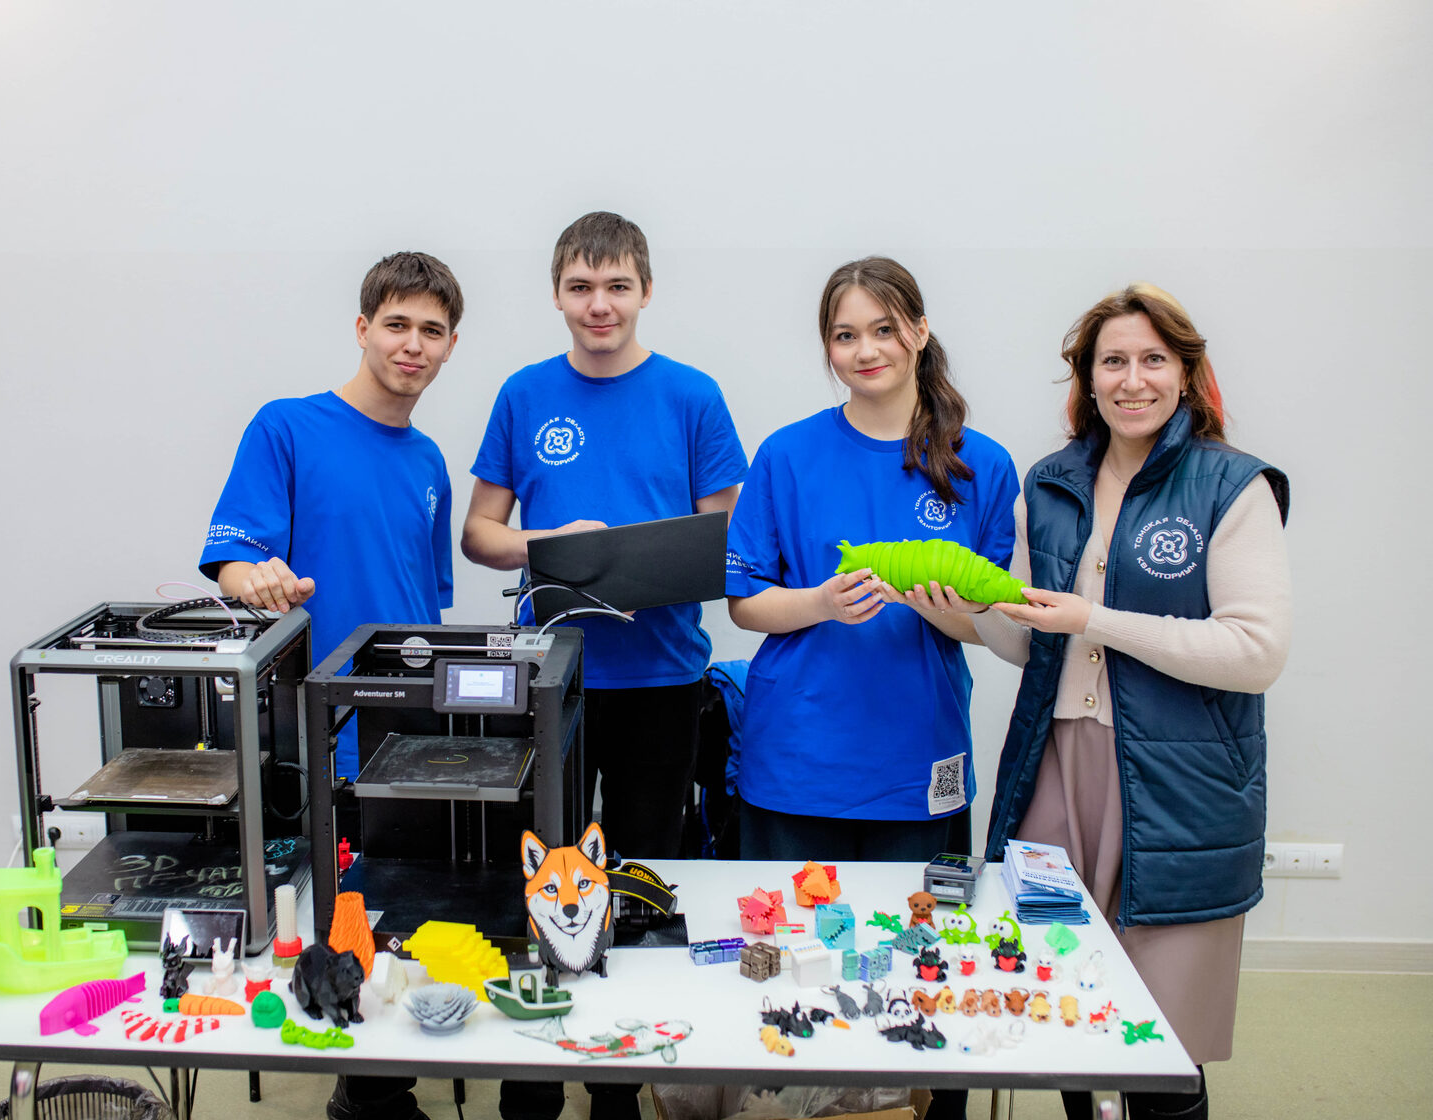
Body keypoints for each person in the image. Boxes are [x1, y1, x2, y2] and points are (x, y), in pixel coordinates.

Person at [975, 285, 1292, 1120]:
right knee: (1068, 1008)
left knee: (1162, 1048)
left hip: (1180, 786)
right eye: (1112, 361)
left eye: (1153, 359)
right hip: (1055, 772)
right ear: (1088, 377)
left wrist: (1095, 620)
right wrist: (961, 608)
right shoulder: (1051, 484)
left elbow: (1255, 653)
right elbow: (1029, 641)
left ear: (1186, 373)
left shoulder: (1233, 486)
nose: (1132, 379)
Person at [462, 211, 746, 1120]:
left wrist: (648, 566)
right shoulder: (523, 394)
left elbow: (728, 540)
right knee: (540, 882)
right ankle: (532, 1084)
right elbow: (480, 534)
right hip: (551, 681)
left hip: (662, 680)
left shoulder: (692, 396)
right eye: (581, 287)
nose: (600, 304)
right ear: (557, 294)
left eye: (617, 285)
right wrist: (556, 544)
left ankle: (618, 1083)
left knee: (636, 879)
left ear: (645, 291)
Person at [723, 256, 1017, 1120]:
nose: (866, 350)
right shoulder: (787, 455)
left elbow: (1001, 624)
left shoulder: (981, 465)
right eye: (846, 335)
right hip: (796, 761)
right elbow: (744, 602)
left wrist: (947, 610)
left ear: (919, 332)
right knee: (788, 963)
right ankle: (786, 1097)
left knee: (918, 966)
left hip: (918, 764)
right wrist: (818, 603)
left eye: (885, 329)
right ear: (828, 348)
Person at [200, 250, 463, 1120]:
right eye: (397, 324)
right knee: (343, 920)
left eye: (432, 331)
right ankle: (369, 1099)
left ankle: (380, 1085)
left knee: (402, 913)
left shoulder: (429, 462)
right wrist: (257, 577)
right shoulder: (286, 428)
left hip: (411, 731)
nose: (413, 344)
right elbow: (234, 560)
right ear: (362, 328)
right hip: (319, 726)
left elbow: (426, 602)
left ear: (449, 346)